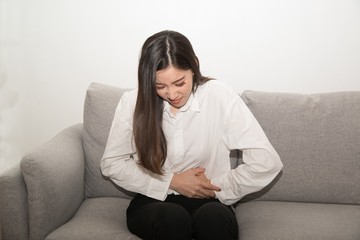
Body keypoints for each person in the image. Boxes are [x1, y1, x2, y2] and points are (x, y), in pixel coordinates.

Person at [100, 30, 283, 240]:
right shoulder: (132, 102)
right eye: (160, 86)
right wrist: (171, 182)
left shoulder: (218, 95)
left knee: (213, 219)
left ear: (194, 66)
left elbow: (267, 162)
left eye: (179, 83)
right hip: (153, 201)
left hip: (209, 200)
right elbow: (111, 163)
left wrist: (218, 187)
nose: (172, 94)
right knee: (173, 219)